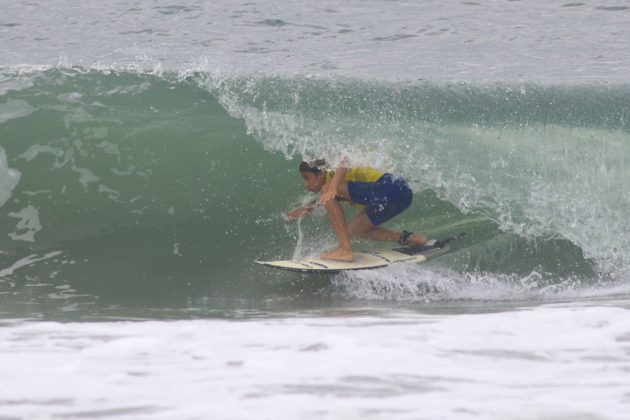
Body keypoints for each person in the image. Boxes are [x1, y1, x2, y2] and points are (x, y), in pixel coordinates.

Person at [286, 158, 431, 262]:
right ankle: (412, 239)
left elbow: (345, 161)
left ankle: (345, 249)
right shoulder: (332, 187)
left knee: (326, 190)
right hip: (402, 195)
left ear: (321, 174)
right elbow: (332, 197)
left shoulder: (332, 172)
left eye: (307, 178)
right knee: (354, 231)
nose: (306, 184)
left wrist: (332, 187)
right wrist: (311, 207)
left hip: (390, 186)